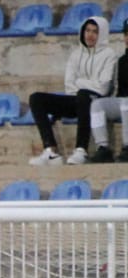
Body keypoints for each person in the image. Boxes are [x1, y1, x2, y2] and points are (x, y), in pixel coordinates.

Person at [29, 14, 115, 166]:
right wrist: (87, 84)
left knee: (83, 94)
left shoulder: (109, 55)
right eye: (87, 30)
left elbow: (103, 88)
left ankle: (81, 150)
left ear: (101, 34)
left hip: (96, 102)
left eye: (95, 31)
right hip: (76, 99)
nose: (90, 35)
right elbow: (69, 85)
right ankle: (50, 151)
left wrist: (80, 82)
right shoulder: (76, 54)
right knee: (36, 98)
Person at [85, 19, 128, 162]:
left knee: (126, 103)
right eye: (126, 34)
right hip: (123, 102)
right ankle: (103, 148)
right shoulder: (121, 61)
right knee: (97, 105)